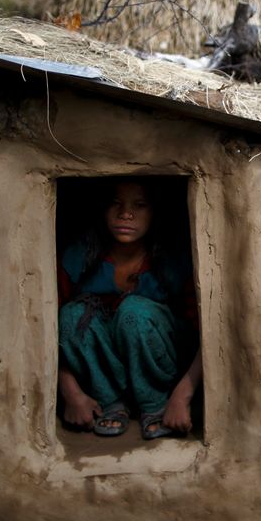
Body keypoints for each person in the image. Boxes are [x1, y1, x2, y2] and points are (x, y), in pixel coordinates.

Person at [56, 179, 201, 439]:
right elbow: (41, 331)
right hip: (100, 376)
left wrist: (182, 395)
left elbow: (209, 336)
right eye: (115, 203)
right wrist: (70, 393)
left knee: (134, 312)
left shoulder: (174, 261)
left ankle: (154, 403)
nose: (125, 213)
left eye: (140, 205)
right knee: (70, 316)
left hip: (164, 372)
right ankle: (110, 402)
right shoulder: (80, 255)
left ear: (155, 212)